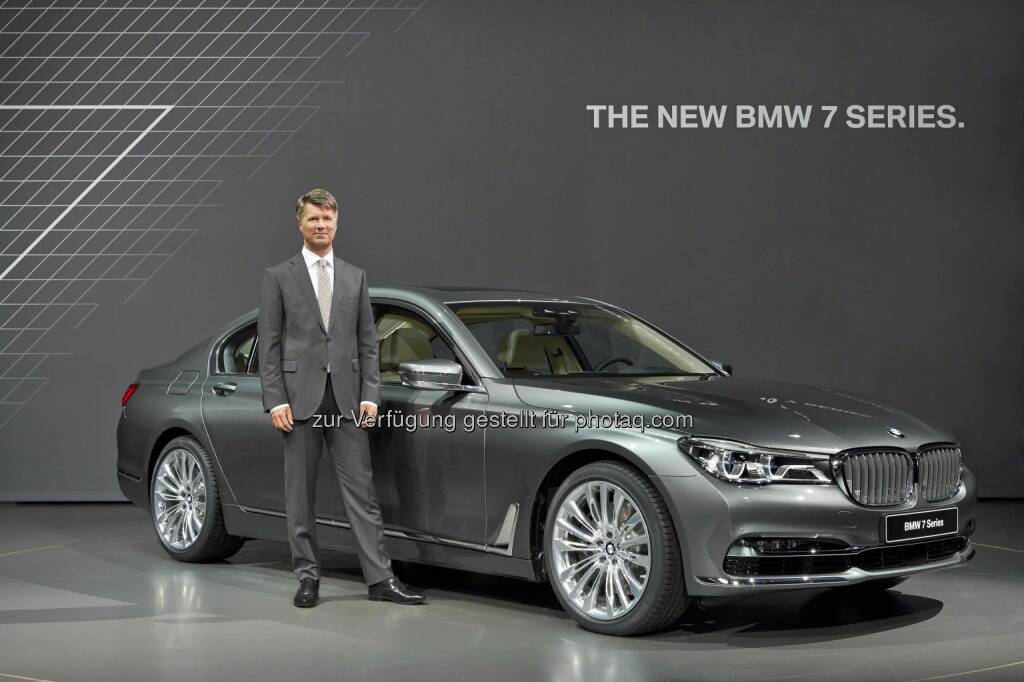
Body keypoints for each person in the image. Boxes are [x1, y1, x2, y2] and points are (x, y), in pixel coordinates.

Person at [257, 188, 425, 608]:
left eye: (327, 219)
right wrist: (276, 400)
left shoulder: (355, 276)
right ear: (300, 223)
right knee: (300, 498)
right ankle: (308, 578)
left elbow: (369, 344)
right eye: (313, 218)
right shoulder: (278, 276)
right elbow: (269, 345)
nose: (321, 225)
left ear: (337, 222)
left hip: (348, 401)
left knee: (363, 495)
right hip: (299, 402)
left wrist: (371, 396)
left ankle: (380, 579)